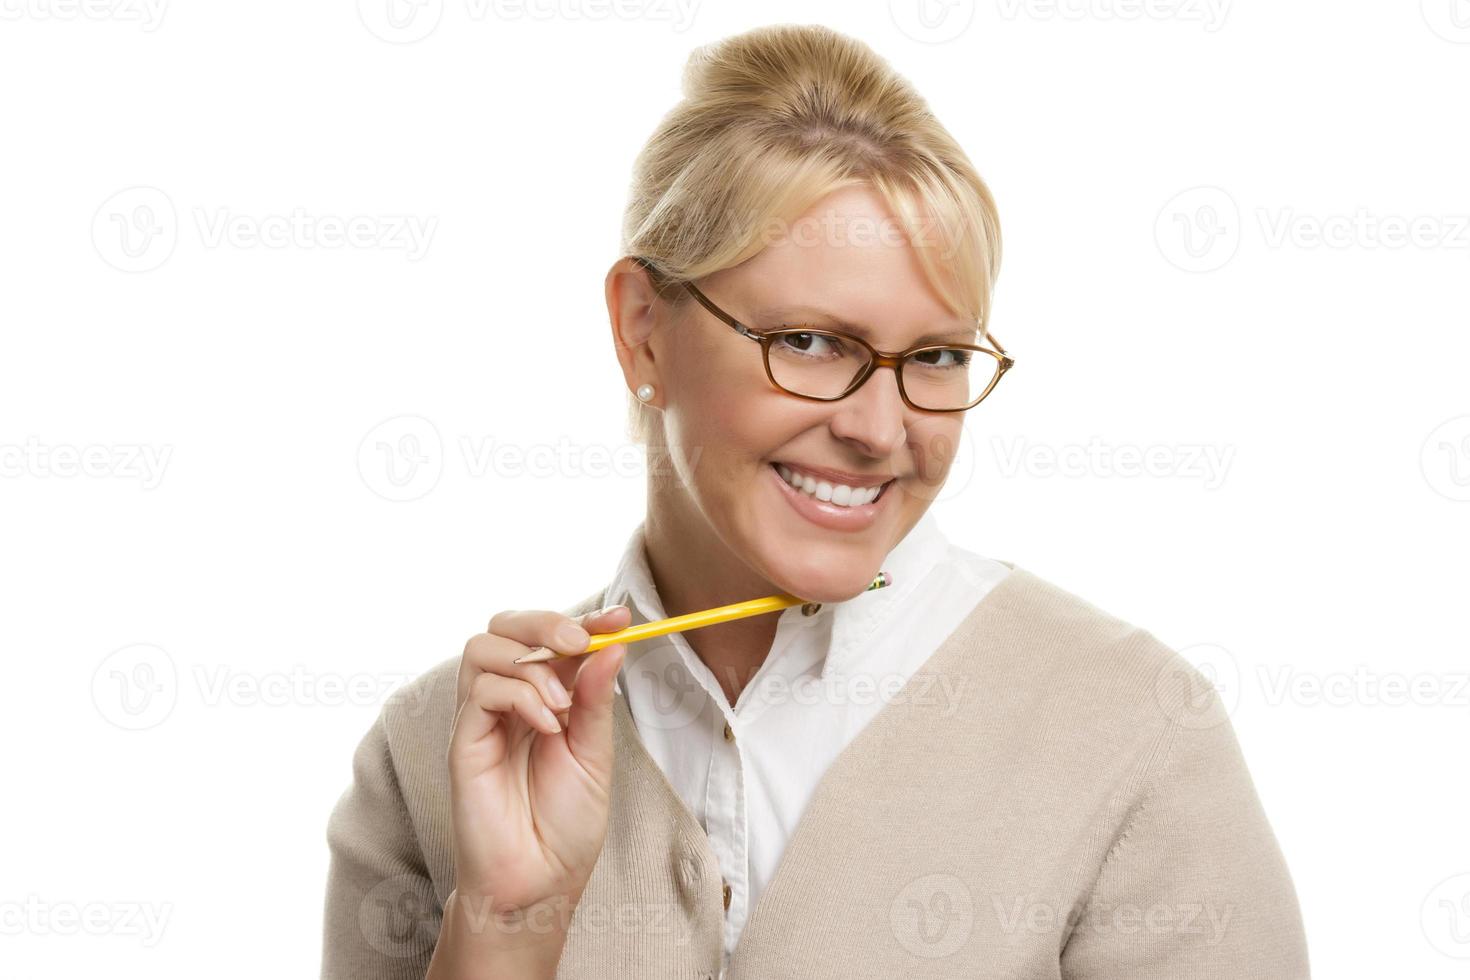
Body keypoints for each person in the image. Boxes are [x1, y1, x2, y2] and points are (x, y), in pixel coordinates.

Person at [321, 23, 1309, 980]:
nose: (881, 429)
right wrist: (504, 930)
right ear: (643, 330)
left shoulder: (1132, 729)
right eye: (810, 341)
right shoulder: (435, 752)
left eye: (935, 357)